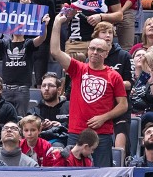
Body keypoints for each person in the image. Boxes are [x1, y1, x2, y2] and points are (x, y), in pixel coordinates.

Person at [50, 16, 128, 167]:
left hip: (102, 133)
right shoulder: (77, 68)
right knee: (72, 174)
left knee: (102, 174)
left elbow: (123, 105)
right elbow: (55, 51)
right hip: (76, 131)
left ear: (106, 53)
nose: (95, 52)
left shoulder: (114, 76)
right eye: (92, 48)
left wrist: (104, 117)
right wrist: (57, 23)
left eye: (100, 50)